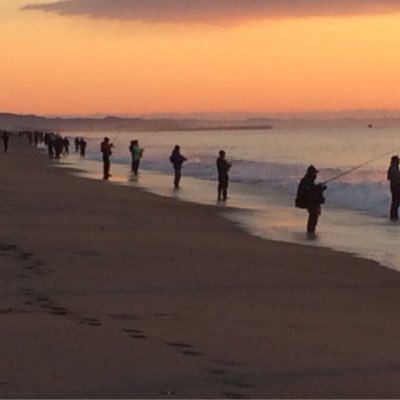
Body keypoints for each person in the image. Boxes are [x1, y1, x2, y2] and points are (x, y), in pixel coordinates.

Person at [295, 165, 327, 235]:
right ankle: (310, 230)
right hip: (305, 200)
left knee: (314, 214)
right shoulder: (306, 181)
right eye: (314, 173)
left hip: (308, 200)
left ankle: (311, 229)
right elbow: (310, 192)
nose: (315, 175)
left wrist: (320, 188)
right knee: (313, 214)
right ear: (311, 173)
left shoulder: (308, 181)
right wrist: (319, 189)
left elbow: (312, 190)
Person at [387, 155, 400, 220]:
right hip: (395, 187)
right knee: (396, 202)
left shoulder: (392, 167)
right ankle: (393, 216)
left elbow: (388, 178)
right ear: (394, 161)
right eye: (397, 160)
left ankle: (394, 215)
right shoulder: (393, 168)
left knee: (395, 202)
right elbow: (393, 178)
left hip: (394, 186)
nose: (399, 161)